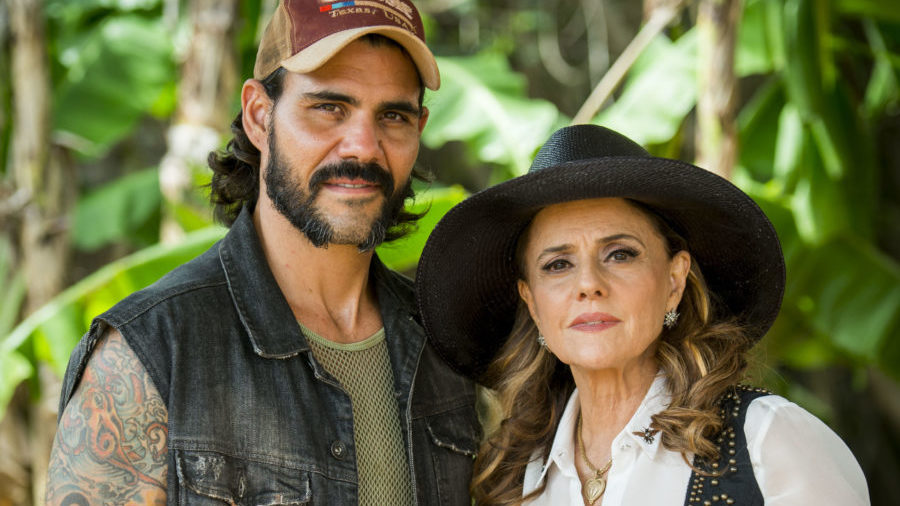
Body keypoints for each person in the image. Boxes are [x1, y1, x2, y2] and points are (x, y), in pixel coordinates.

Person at [46, 1, 479, 504]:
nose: (363, 146)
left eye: (393, 116)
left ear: (419, 128)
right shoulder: (150, 354)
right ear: (258, 115)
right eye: (329, 108)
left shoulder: (451, 347)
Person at [415, 124, 870, 505]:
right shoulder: (515, 481)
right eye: (558, 264)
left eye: (620, 254)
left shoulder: (766, 442)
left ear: (674, 281)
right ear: (532, 303)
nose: (588, 284)